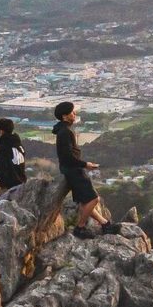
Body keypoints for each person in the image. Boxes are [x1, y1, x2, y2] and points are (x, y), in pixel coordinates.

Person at [52, 100, 120, 239]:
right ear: (65, 116)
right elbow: (67, 156)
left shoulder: (62, 130)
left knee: (85, 200)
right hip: (74, 170)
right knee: (94, 199)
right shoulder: (65, 132)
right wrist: (85, 164)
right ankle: (80, 227)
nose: (74, 114)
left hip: (70, 169)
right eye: (72, 112)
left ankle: (105, 224)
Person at [0, 117, 26, 200]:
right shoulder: (18, 145)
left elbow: (3, 169)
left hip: (9, 185)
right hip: (21, 181)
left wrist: (2, 187)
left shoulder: (4, 147)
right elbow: (11, 157)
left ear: (1, 131)